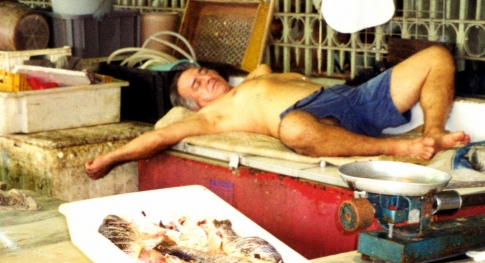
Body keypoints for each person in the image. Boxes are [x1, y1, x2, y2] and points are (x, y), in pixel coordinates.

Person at [85, 45, 470, 180]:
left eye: (204, 73)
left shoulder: (253, 79)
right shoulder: (209, 117)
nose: (206, 80)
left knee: (436, 57)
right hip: (309, 119)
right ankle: (394, 149)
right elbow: (157, 137)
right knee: (294, 130)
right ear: (193, 104)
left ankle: (433, 131)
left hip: (348, 98)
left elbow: (262, 70)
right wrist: (110, 159)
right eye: (196, 86)